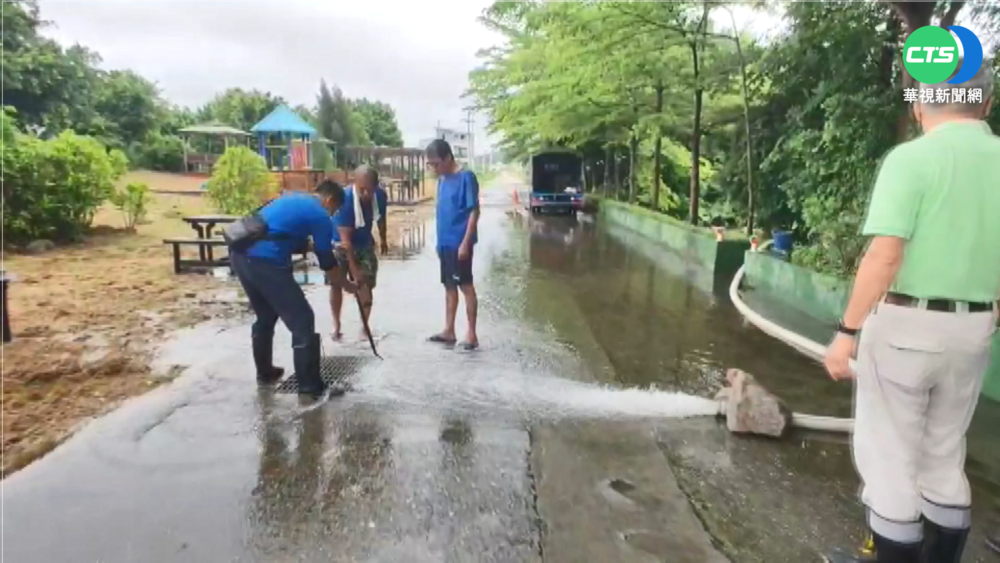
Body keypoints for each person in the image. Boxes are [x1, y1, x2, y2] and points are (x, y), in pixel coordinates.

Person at [824, 61, 1000, 563]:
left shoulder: (912, 159)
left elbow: (885, 255)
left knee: (890, 460)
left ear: (921, 106)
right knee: (944, 454)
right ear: (986, 104)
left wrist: (846, 332)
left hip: (905, 326)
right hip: (974, 328)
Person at [230, 180, 355, 400]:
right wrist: (346, 285)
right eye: (335, 209)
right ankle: (310, 387)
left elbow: (285, 234)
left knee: (266, 315)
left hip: (240, 255)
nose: (333, 214)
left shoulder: (293, 199)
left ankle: (265, 372)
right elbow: (327, 262)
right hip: (265, 261)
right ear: (330, 200)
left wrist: (324, 247)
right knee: (302, 319)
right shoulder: (320, 214)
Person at [425, 139, 480, 350]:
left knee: (465, 285)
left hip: (460, 243)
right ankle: (449, 330)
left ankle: (472, 334)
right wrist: (438, 243)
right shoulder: (442, 180)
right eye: (430, 165)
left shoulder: (466, 177)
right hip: (445, 243)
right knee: (449, 286)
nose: (433, 168)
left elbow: (474, 212)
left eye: (436, 163)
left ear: (448, 157)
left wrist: (466, 242)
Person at [328, 165, 388, 340]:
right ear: (355, 184)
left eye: (370, 190)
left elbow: (381, 218)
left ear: (376, 186)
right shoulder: (344, 200)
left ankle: (365, 326)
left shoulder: (380, 196)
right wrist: (354, 270)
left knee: (366, 283)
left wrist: (383, 239)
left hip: (364, 242)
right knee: (336, 283)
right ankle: (337, 325)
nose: (367, 195)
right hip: (340, 243)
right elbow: (346, 242)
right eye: (362, 190)